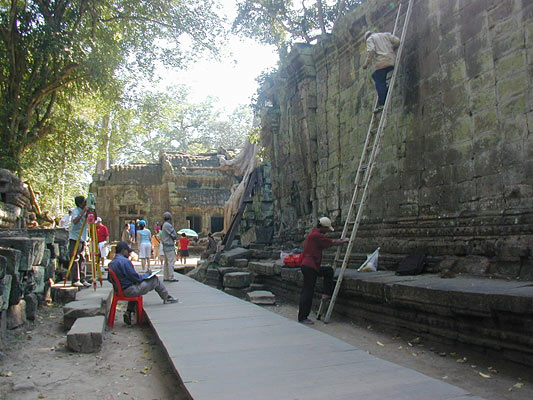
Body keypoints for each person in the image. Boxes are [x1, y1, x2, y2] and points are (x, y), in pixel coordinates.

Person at [108, 241, 178, 325]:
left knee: (137, 285)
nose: (129, 254)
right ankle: (166, 297)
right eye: (128, 252)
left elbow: (110, 279)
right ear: (123, 251)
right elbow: (135, 278)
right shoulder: (125, 262)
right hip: (129, 290)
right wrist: (147, 275)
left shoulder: (112, 263)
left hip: (119, 290)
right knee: (155, 280)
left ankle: (129, 311)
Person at [298, 217, 349, 325]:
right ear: (323, 227)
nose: (327, 232)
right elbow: (331, 242)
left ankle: (326, 292)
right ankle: (303, 317)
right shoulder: (316, 236)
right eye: (327, 229)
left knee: (328, 271)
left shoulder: (314, 234)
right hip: (310, 266)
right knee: (308, 291)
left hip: (309, 265)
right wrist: (342, 241)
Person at [362, 30, 400, 113]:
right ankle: (385, 89)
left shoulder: (370, 39)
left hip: (382, 63)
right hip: (391, 61)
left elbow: (371, 50)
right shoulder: (385, 35)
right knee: (376, 76)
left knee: (379, 81)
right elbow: (397, 41)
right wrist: (393, 48)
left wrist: (366, 64)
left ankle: (382, 101)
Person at [68, 196, 91, 287]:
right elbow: (75, 221)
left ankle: (82, 278)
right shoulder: (76, 211)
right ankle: (75, 279)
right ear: (81, 203)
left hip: (83, 237)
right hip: (75, 237)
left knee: (82, 258)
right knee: (75, 258)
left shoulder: (85, 211)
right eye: (84, 202)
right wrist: (83, 211)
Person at [160, 212, 178, 281]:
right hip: (169, 245)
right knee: (170, 262)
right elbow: (173, 235)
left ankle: (166, 276)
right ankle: (171, 277)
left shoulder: (164, 225)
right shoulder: (168, 225)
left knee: (166, 262)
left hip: (165, 245)